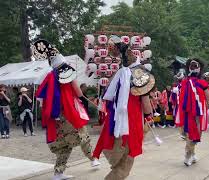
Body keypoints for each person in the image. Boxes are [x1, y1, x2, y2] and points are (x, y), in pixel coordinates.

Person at [33, 40, 99, 180]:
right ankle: (93, 159)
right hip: (68, 113)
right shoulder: (67, 72)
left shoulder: (49, 76)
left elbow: (41, 97)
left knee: (64, 146)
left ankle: (58, 173)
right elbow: (78, 92)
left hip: (55, 117)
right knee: (83, 135)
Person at [94, 47, 155, 179]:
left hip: (114, 121)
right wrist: (149, 116)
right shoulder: (139, 76)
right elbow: (145, 104)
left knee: (118, 152)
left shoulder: (118, 75)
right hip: (131, 122)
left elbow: (108, 96)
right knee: (126, 161)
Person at [176, 58, 209, 166]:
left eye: (196, 66)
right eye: (193, 66)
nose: (194, 68)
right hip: (188, 112)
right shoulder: (185, 81)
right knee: (191, 134)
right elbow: (181, 98)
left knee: (195, 134)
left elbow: (207, 98)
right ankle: (188, 155)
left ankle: (192, 153)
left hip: (198, 112)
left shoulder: (202, 83)